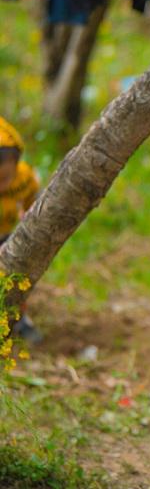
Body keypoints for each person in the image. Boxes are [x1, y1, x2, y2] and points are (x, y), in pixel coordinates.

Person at [0, 116, 41, 343]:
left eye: (5, 178)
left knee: (17, 279)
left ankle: (19, 318)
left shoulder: (24, 178)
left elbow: (33, 197)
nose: (1, 186)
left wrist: (30, 214)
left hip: (7, 234)